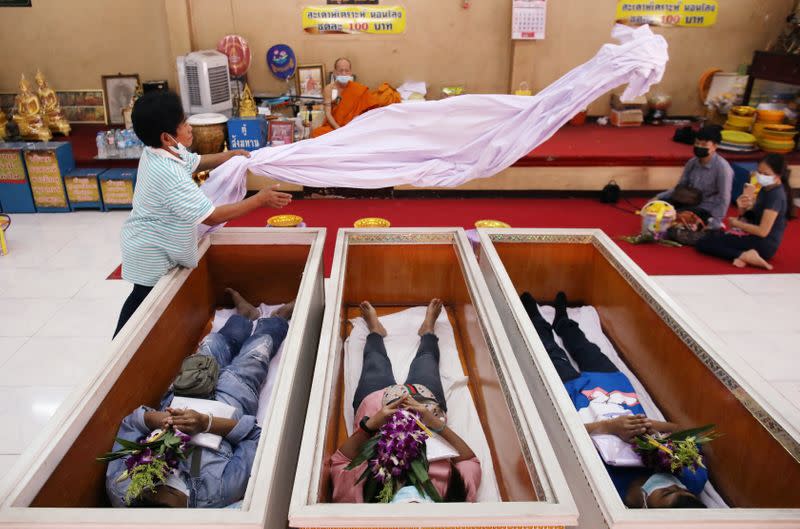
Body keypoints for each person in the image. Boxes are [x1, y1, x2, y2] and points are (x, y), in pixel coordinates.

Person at [114, 91, 293, 338]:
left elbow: (195, 162)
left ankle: (123, 343)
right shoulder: (167, 173)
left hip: (150, 240)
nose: (189, 127)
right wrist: (259, 200)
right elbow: (212, 216)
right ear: (167, 137)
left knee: (142, 298)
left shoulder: (161, 150)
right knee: (144, 302)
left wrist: (228, 156)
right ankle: (120, 350)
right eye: (184, 124)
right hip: (151, 251)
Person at [106, 289, 294, 508]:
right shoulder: (218, 492)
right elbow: (255, 438)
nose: (157, 480)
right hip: (233, 397)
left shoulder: (122, 486)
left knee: (213, 344)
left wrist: (161, 421)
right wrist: (207, 423)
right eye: (163, 491)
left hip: (185, 393)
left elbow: (132, 422)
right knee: (257, 353)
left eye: (149, 487)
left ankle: (244, 317)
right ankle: (277, 319)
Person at [520, 291, 708, 509]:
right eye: (680, 487)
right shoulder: (692, 478)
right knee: (586, 348)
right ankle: (563, 322)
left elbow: (558, 436)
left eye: (667, 492)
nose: (673, 484)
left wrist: (608, 427)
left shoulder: (607, 488)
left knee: (550, 352)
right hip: (616, 393)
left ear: (648, 510)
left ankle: (535, 318)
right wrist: (649, 426)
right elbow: (686, 432)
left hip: (572, 398)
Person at [330, 299, 481, 503]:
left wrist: (371, 425)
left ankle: (375, 331)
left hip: (376, 404)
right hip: (425, 404)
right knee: (427, 359)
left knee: (375, 360)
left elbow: (341, 461)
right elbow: (469, 460)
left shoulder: (363, 498)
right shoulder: (453, 496)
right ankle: (427, 330)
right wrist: (434, 423)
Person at [696, 153, 795, 270]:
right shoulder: (766, 189)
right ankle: (742, 254)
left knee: (703, 243)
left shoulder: (776, 196)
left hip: (763, 244)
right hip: (753, 237)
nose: (761, 176)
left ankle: (743, 255)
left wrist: (737, 224)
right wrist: (742, 208)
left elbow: (763, 231)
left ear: (778, 175)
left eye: (766, 174)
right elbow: (752, 218)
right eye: (759, 172)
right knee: (711, 235)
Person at [655, 125, 733, 230]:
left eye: (704, 144)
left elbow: (724, 198)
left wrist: (716, 221)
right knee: (660, 207)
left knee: (679, 219)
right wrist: (659, 197)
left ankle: (707, 221)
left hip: (706, 207)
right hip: (689, 200)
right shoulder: (692, 162)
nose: (699, 147)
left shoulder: (723, 168)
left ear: (715, 146)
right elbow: (680, 187)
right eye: (697, 143)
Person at [311, 58, 400, 138]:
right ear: (335, 72)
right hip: (334, 127)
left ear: (350, 72)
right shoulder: (329, 89)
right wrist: (338, 129)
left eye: (346, 71)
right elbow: (328, 114)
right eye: (341, 71)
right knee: (316, 133)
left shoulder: (358, 89)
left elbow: (371, 111)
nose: (344, 73)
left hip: (352, 127)